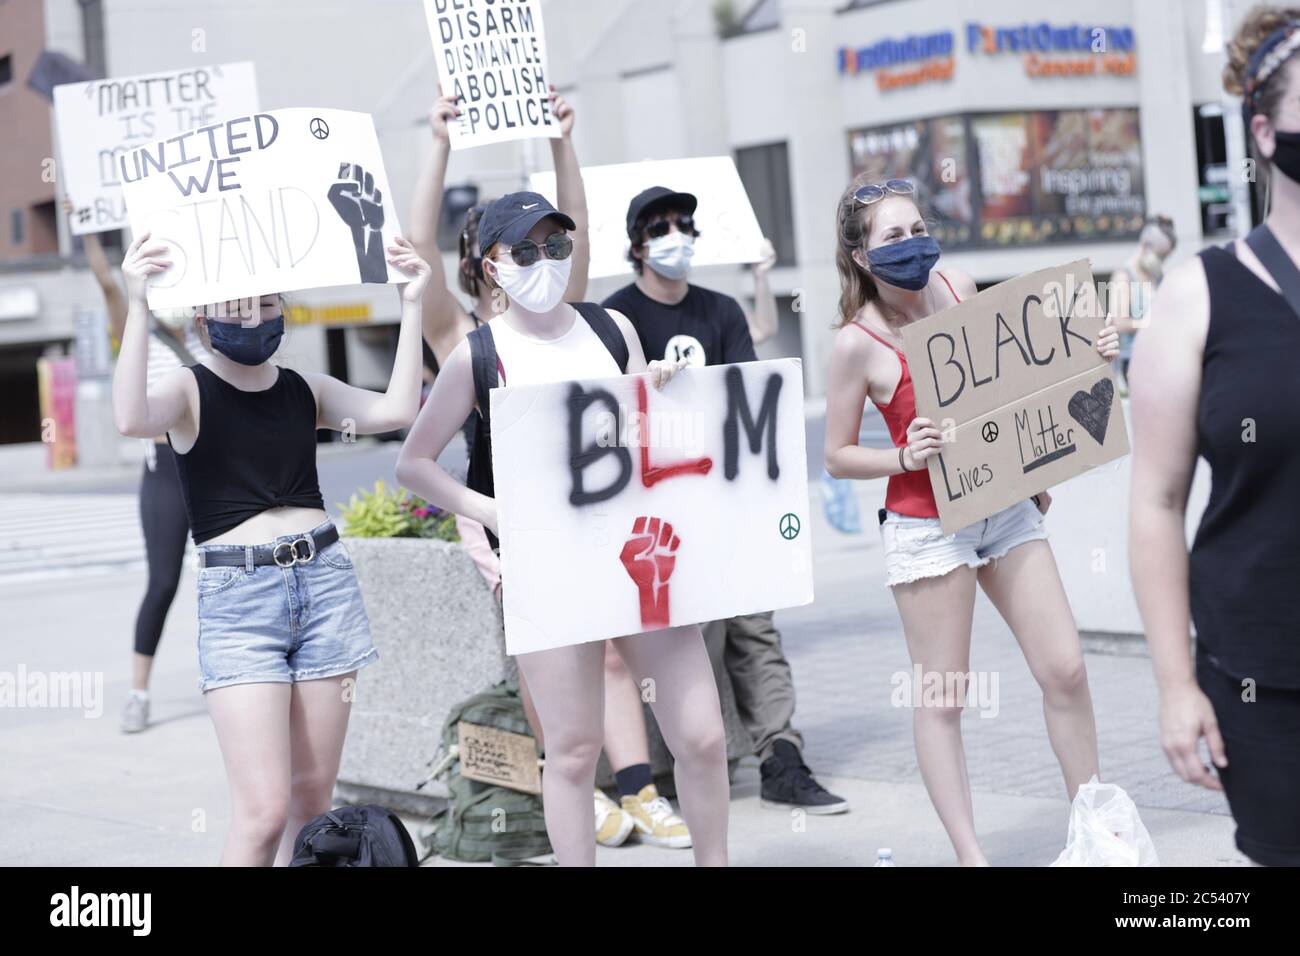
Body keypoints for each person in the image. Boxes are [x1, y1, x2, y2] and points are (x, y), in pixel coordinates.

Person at [395, 192, 730, 866]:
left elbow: (649, 434)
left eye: (556, 245)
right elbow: (414, 463)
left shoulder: (612, 330)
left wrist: (663, 385)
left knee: (701, 737)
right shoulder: (478, 355)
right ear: (491, 267)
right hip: (550, 573)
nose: (543, 260)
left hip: (638, 559)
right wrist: (489, 513)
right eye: (525, 250)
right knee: (573, 752)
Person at [823, 175, 1120, 864]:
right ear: (862, 258)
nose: (912, 244)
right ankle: (970, 855)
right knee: (943, 697)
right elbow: (836, 457)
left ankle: (1095, 829)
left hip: (1006, 509)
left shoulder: (958, 287)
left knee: (1066, 670)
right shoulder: (855, 345)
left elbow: (1015, 382)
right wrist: (901, 454)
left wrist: (1091, 349)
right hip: (927, 529)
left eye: (918, 227)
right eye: (892, 237)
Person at [112, 225, 430, 866]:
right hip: (241, 601)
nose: (254, 318)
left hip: (325, 586)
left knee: (311, 803)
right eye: (236, 307)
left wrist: (412, 299)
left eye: (266, 304)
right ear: (203, 317)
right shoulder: (187, 390)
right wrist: (138, 304)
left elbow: (396, 410)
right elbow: (129, 417)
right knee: (260, 813)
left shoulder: (303, 388)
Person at [603, 186, 847, 814]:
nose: (675, 234)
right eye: (660, 226)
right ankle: (680, 767)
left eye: (684, 222)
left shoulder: (721, 312)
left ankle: (781, 757)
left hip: (729, 499)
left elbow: (747, 397)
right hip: (655, 512)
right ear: (636, 244)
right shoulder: (613, 318)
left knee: (756, 627)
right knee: (691, 635)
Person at [1130, 4, 1300, 867]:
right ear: (1267, 134)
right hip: (1265, 681)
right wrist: (1173, 686)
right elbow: (1156, 502)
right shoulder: (1200, 296)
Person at [63, 196, 202, 734]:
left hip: (212, 460)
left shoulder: (205, 329)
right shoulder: (136, 325)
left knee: (229, 575)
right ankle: (138, 693)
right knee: (163, 581)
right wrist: (93, 229)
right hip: (165, 467)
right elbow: (106, 283)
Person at [1107, 215, 1176, 392]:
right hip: (1135, 362)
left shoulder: (1156, 275)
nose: (1162, 262)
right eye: (1160, 257)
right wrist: (1153, 323)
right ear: (1146, 246)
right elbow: (1120, 323)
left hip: (1160, 357)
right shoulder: (1124, 276)